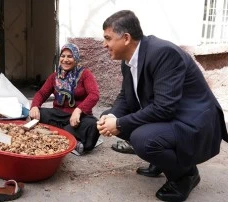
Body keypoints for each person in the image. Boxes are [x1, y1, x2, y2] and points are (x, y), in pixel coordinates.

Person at [97, 10, 228, 201]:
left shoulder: (163, 53)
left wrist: (118, 124)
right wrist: (112, 117)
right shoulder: (128, 61)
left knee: (143, 139)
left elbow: (164, 108)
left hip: (195, 122)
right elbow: (125, 96)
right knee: (112, 116)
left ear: (126, 38)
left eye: (107, 38)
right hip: (172, 116)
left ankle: (185, 175)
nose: (104, 44)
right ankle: (162, 161)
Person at [29, 43, 100, 155]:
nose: (65, 60)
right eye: (63, 56)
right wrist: (34, 106)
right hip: (58, 115)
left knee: (93, 125)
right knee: (39, 115)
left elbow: (94, 95)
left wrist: (78, 110)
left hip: (78, 118)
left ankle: (56, 136)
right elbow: (42, 93)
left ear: (76, 58)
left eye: (69, 56)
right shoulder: (54, 76)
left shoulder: (85, 74)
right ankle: (71, 139)